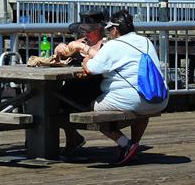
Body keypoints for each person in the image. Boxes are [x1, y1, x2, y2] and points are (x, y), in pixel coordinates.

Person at [82, 9, 169, 165]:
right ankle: (134, 144)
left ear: (115, 30)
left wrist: (86, 57)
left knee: (87, 109)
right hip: (158, 98)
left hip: (134, 99)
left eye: (109, 30)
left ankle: (126, 144)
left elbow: (91, 69)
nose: (108, 33)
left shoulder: (113, 45)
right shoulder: (145, 41)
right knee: (142, 111)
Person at [53, 10, 106, 156]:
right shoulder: (80, 42)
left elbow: (102, 61)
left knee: (61, 103)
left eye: (90, 30)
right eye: (84, 30)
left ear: (100, 29)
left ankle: (72, 141)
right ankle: (73, 138)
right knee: (52, 101)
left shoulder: (107, 45)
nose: (87, 34)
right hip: (74, 84)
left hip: (95, 87)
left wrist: (84, 49)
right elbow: (62, 55)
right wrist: (60, 49)